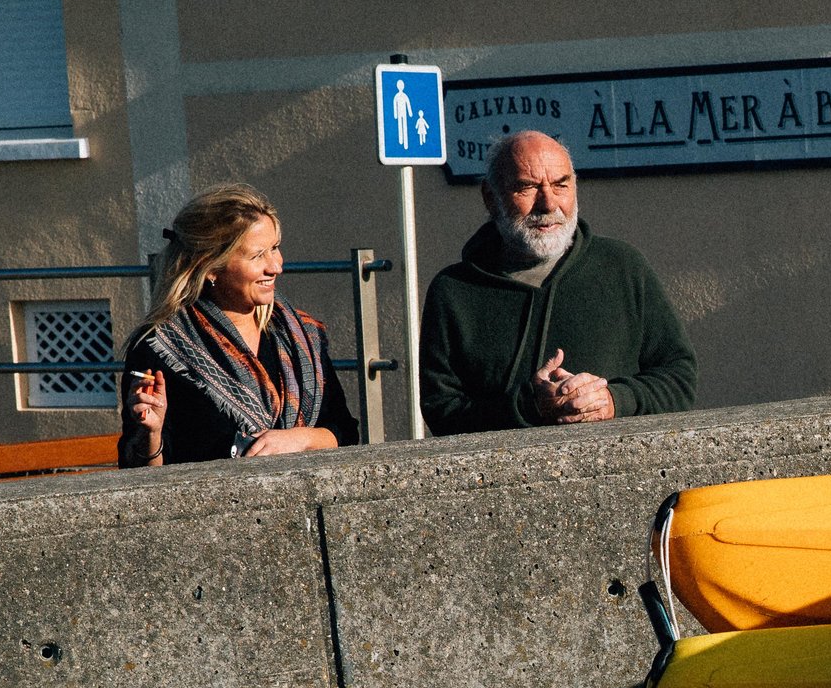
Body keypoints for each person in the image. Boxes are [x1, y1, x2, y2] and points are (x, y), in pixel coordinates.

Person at [419, 130, 697, 434]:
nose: (548, 203)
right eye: (527, 187)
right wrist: (529, 407)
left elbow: (678, 377)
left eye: (560, 185)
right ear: (490, 196)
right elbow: (441, 411)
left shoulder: (623, 267)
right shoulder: (454, 291)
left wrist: (612, 400)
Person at [120, 185, 361, 467]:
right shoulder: (161, 347)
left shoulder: (300, 337)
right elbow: (141, 475)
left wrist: (299, 439)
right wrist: (152, 432)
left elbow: (344, 431)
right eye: (258, 256)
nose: (275, 266)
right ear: (210, 268)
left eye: (275, 248)